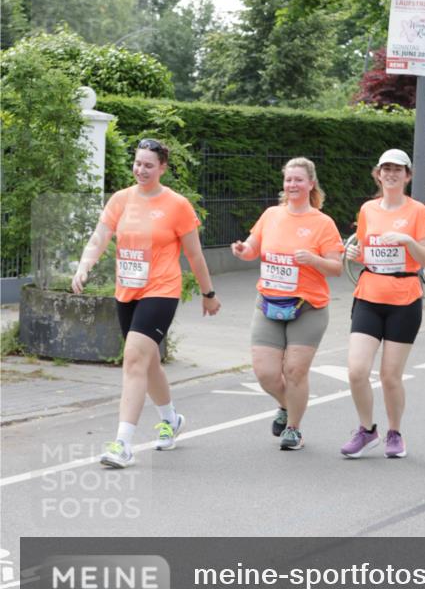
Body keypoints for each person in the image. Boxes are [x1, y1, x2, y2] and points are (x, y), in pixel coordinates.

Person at [71, 138, 221, 468]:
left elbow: (194, 254)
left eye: (149, 165)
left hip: (161, 290)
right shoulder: (121, 199)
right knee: (148, 362)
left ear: (163, 168)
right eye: (138, 163)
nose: (141, 170)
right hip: (128, 289)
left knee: (134, 359)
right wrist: (84, 266)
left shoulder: (177, 205)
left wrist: (208, 295)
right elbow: (99, 237)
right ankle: (171, 418)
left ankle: (122, 443)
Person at [231, 157, 343, 450]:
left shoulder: (322, 223)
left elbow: (336, 267)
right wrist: (242, 250)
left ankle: (293, 428)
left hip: (308, 307)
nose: (292, 185)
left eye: (298, 180)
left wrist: (314, 260)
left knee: (294, 370)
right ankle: (286, 405)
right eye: (288, 180)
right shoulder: (271, 215)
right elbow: (252, 248)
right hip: (268, 302)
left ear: (311, 184)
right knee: (266, 372)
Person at [341, 149, 425, 460]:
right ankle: (367, 430)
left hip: (404, 299)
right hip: (369, 296)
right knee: (356, 370)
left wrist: (408, 242)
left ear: (407, 175)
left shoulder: (417, 211)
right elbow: (368, 251)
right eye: (386, 169)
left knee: (390, 376)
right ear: (377, 174)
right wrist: (356, 255)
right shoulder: (368, 209)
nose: (391, 174)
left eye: (398, 169)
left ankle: (395, 432)